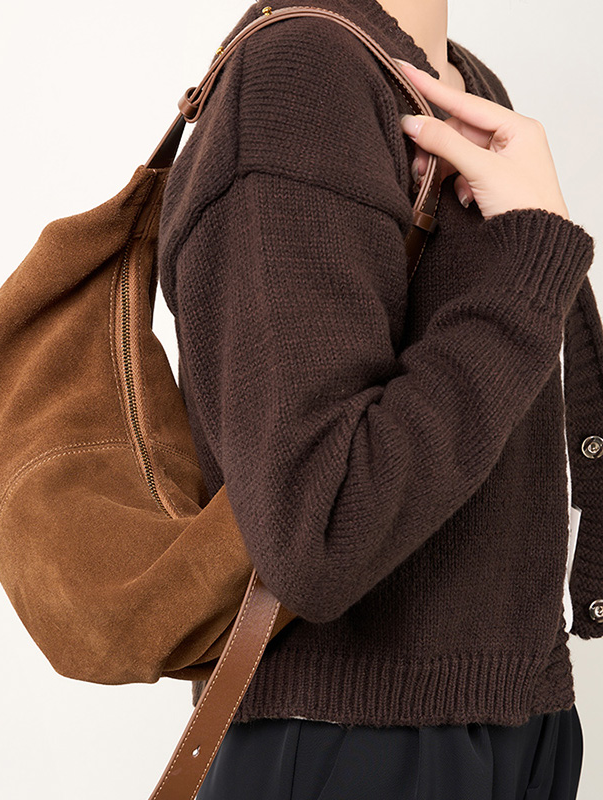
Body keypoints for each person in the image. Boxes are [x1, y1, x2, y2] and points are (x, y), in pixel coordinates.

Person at [156, 0, 595, 797]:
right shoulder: (299, 77)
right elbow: (316, 532)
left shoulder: (458, 80)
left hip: (512, 722)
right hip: (359, 745)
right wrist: (534, 265)